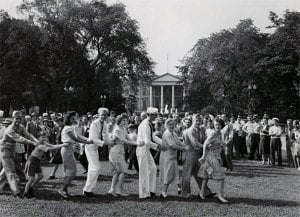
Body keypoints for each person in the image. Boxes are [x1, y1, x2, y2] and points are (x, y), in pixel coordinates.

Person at [0, 111, 39, 197]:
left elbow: (28, 134)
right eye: (16, 118)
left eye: (19, 118)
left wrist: (36, 141)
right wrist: (33, 143)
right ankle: (16, 192)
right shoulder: (9, 129)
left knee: (5, 170)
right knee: (10, 170)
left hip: (12, 148)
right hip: (4, 148)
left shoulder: (21, 126)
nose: (18, 120)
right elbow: (20, 139)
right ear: (13, 119)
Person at [58, 111, 93, 198]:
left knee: (68, 172)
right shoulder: (67, 128)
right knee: (72, 171)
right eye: (72, 118)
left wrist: (88, 140)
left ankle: (65, 191)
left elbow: (77, 137)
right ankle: (62, 189)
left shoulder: (71, 127)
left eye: (74, 118)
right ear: (68, 119)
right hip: (67, 149)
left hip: (69, 149)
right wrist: (87, 142)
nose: (73, 120)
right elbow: (75, 139)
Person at [23, 132, 67, 198]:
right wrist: (63, 145)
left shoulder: (44, 143)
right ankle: (25, 193)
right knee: (31, 179)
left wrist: (63, 144)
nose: (44, 138)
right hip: (32, 160)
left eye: (45, 137)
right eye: (42, 137)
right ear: (39, 138)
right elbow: (52, 148)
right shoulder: (40, 145)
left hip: (37, 161)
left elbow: (53, 146)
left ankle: (31, 187)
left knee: (40, 175)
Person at [181, 114, 214, 199]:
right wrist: (205, 146)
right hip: (190, 154)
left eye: (199, 120)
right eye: (196, 120)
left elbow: (203, 139)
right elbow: (195, 143)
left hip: (197, 154)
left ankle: (206, 192)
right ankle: (185, 194)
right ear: (193, 120)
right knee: (187, 175)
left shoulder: (199, 129)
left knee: (201, 174)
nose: (198, 122)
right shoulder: (191, 130)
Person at [83, 108, 114, 197]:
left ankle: (88, 190)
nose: (103, 116)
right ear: (98, 114)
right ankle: (87, 190)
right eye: (102, 114)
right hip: (90, 147)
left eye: (105, 115)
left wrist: (110, 141)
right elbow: (93, 139)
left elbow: (105, 135)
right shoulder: (94, 124)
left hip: (95, 147)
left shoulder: (104, 123)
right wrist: (106, 143)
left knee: (93, 168)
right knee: (95, 168)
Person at [136, 107, 164, 199]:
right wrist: (158, 147)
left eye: (156, 115)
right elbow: (147, 141)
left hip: (146, 149)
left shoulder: (149, 124)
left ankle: (151, 190)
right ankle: (143, 193)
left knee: (153, 168)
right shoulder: (145, 125)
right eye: (154, 115)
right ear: (149, 115)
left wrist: (163, 142)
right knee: (144, 171)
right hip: (142, 149)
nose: (156, 116)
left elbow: (153, 137)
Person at [108, 114, 139, 197]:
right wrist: (135, 143)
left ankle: (113, 189)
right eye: (123, 121)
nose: (125, 122)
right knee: (122, 171)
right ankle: (118, 190)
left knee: (118, 172)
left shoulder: (123, 129)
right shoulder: (117, 129)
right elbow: (123, 140)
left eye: (126, 120)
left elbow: (129, 138)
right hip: (115, 151)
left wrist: (137, 140)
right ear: (119, 121)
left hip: (120, 151)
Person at [198, 119, 228, 203]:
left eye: (219, 125)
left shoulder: (220, 133)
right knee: (221, 177)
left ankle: (201, 194)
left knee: (206, 176)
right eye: (216, 125)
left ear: (222, 125)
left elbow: (219, 145)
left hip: (215, 157)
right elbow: (205, 144)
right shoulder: (213, 133)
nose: (217, 126)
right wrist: (203, 156)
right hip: (211, 158)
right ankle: (220, 196)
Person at [159, 119, 187, 198]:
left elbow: (179, 142)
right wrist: (184, 149)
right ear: (166, 125)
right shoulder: (167, 134)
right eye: (170, 124)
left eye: (173, 124)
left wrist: (186, 145)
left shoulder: (173, 133)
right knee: (169, 174)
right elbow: (173, 146)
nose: (172, 126)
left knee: (175, 173)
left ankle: (180, 188)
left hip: (173, 157)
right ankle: (163, 192)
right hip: (167, 157)